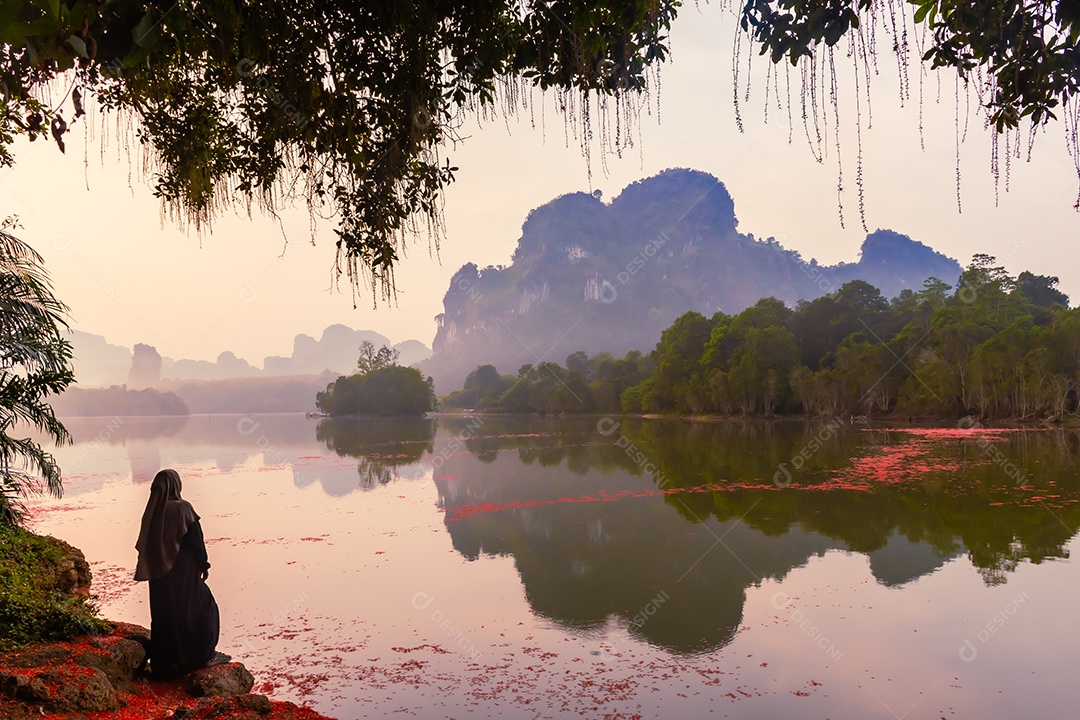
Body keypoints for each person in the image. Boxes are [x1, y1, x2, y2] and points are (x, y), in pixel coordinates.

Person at [134, 468, 230, 679]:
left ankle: (166, 665)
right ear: (176, 485)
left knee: (166, 615)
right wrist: (204, 565)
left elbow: (142, 545)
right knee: (202, 608)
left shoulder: (152, 512)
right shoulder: (183, 509)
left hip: (158, 575)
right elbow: (196, 541)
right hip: (183, 572)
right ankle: (202, 655)